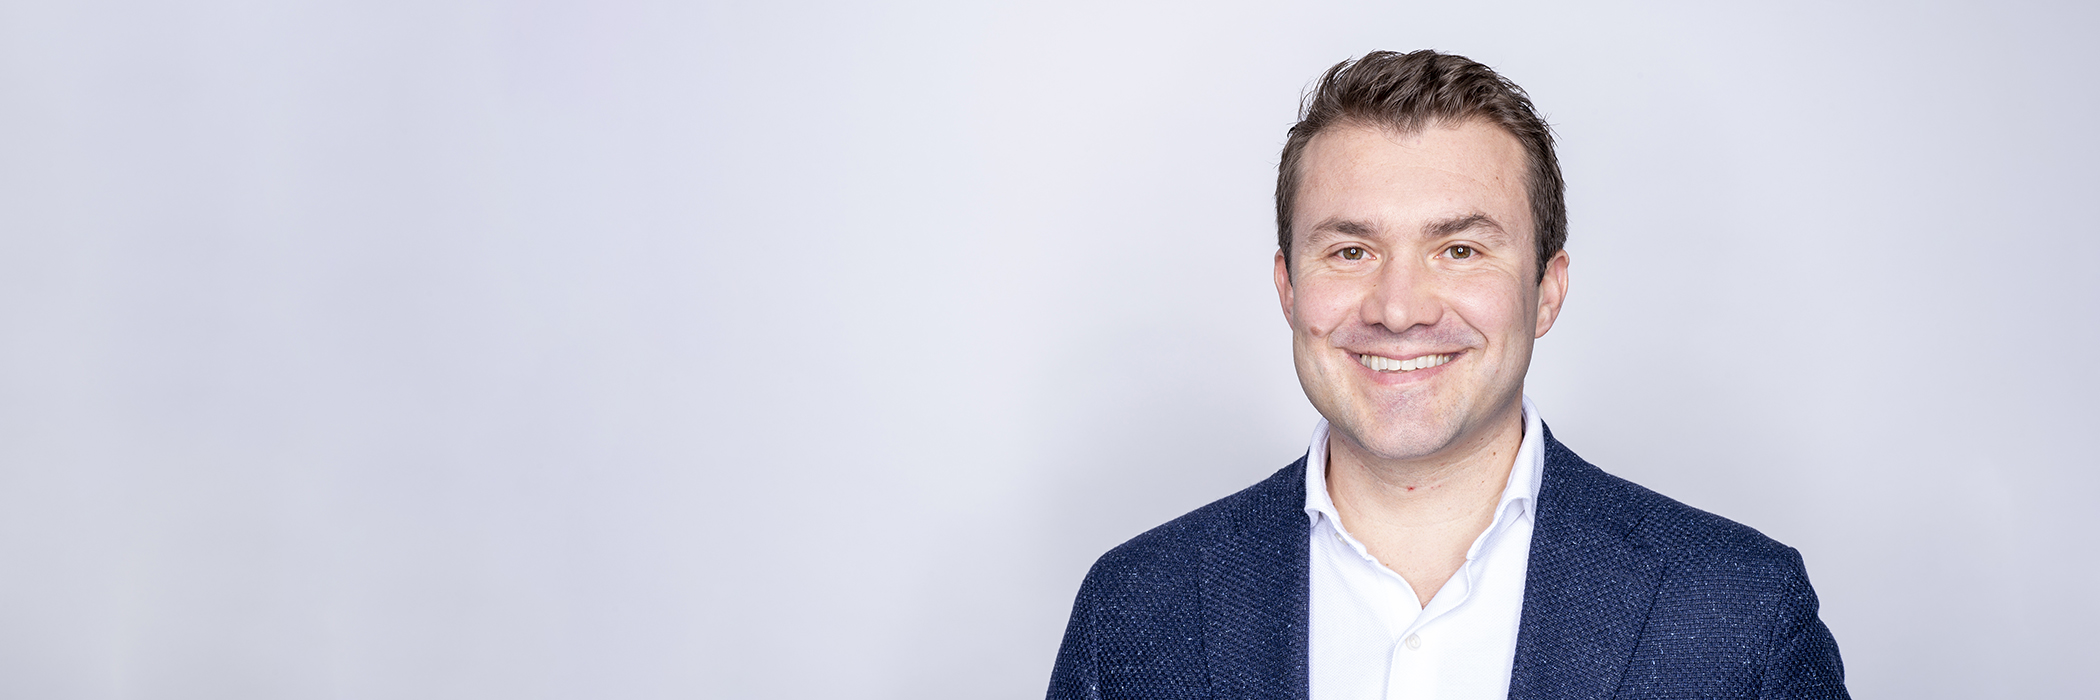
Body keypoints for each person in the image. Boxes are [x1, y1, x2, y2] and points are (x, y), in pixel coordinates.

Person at [1047, 50, 1848, 700]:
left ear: (1547, 290)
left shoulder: (1741, 610)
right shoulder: (1135, 609)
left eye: (1459, 250)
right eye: (1350, 251)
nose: (1399, 309)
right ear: (1289, 289)